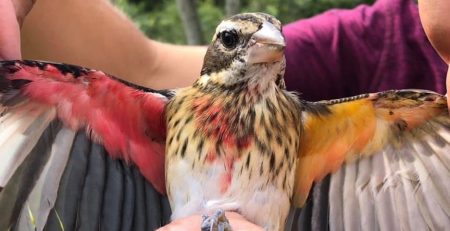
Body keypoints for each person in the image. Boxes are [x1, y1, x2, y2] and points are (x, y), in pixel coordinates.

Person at [0, 0, 449, 230]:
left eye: (271, 40)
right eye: (236, 40)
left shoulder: (337, 123)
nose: (265, 44)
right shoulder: (164, 113)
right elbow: (146, 67)